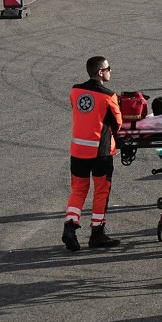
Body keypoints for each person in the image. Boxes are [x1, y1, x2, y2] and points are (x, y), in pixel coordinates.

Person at [63, 56, 122, 252]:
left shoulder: (75, 90)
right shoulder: (108, 96)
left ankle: (70, 228)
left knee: (78, 190)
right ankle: (97, 233)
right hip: (100, 152)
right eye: (108, 68)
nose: (110, 71)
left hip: (78, 150)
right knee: (101, 191)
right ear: (100, 72)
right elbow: (118, 123)